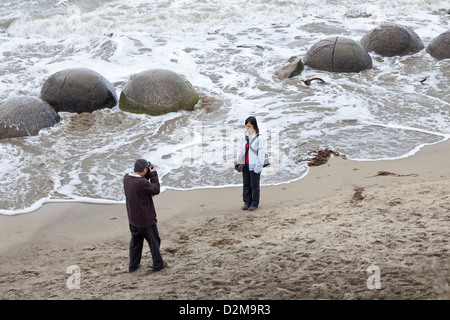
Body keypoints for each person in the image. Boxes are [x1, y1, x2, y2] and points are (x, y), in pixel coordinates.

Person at [123, 158, 167, 273]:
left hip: (133, 218)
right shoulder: (142, 183)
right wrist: (153, 174)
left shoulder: (127, 178)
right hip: (146, 220)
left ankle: (133, 265)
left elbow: (142, 186)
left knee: (136, 243)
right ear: (144, 170)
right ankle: (158, 264)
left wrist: (147, 174)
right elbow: (155, 189)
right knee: (154, 242)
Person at [234, 116, 265, 211]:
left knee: (254, 185)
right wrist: (237, 159)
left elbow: (261, 154)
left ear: (254, 126)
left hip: (254, 164)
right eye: (246, 126)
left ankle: (254, 203)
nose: (247, 128)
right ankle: (247, 202)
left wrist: (258, 167)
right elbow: (241, 149)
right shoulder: (244, 137)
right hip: (245, 164)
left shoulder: (259, 138)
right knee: (246, 184)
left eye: (249, 126)